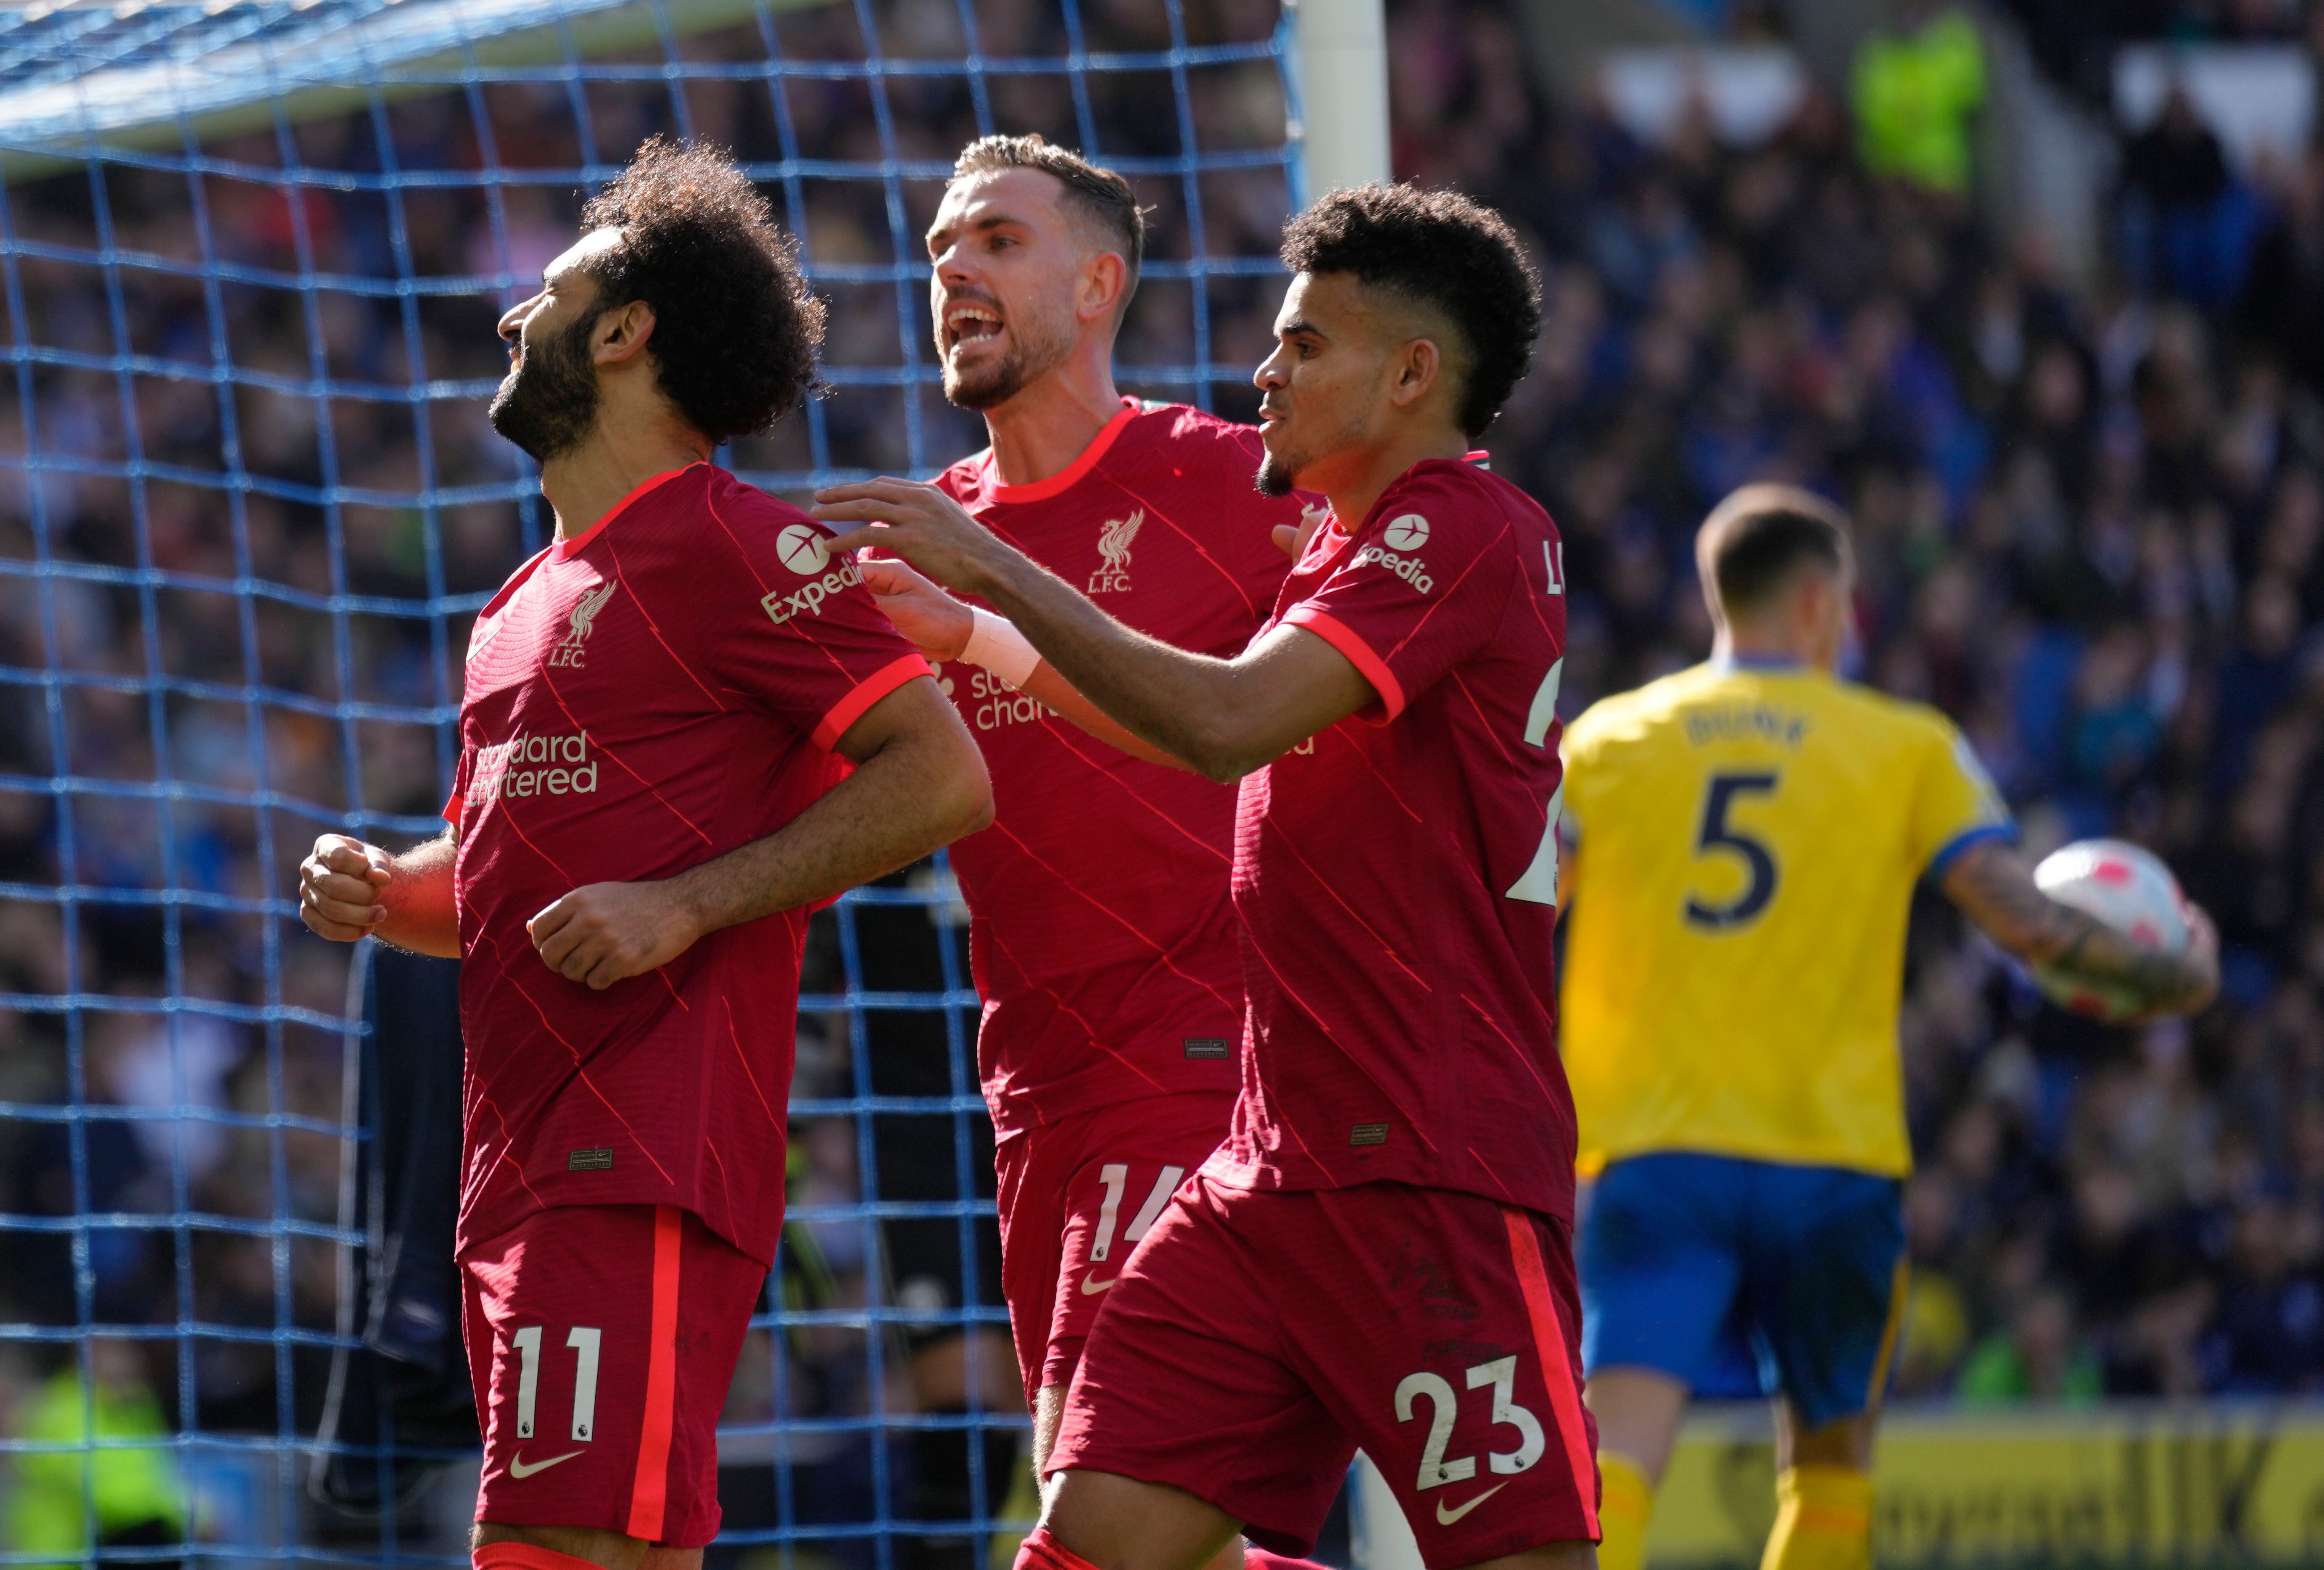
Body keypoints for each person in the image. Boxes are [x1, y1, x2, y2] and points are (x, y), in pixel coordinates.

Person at [814, 183, 1599, 1570]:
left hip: (1428, 1162)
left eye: (1304, 347)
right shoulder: (1340, 560)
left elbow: (1224, 719)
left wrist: (993, 573)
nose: (1264, 373)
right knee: (1091, 1537)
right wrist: (983, 640)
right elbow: (1198, 731)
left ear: (1412, 373)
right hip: (1261, 1169)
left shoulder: (1459, 529)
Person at [294, 138, 992, 1570]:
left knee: (553, 1546)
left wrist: (686, 904)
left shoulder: (737, 542)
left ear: (622, 332)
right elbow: (514, 894)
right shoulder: (517, 601)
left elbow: (944, 775)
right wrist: (389, 890)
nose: (508, 319)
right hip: (517, 1169)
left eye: (542, 295)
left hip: (639, 1159)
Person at [1554, 483, 2219, 1570]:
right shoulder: (1903, 744)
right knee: (1827, 1469)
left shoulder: (1608, 741)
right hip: (1831, 1162)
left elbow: (1511, 903)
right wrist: (2170, 974)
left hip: (1651, 1149)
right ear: (1819, 603)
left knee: (1616, 1452)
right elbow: (2029, 925)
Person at [844, 134, 1320, 1569]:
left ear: (1100, 281)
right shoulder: (917, 544)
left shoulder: (1238, 485)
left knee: (1095, 1527)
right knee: (1173, 1532)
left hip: (1206, 1069)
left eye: (995, 239)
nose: (951, 269)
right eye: (939, 248)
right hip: (1035, 1099)